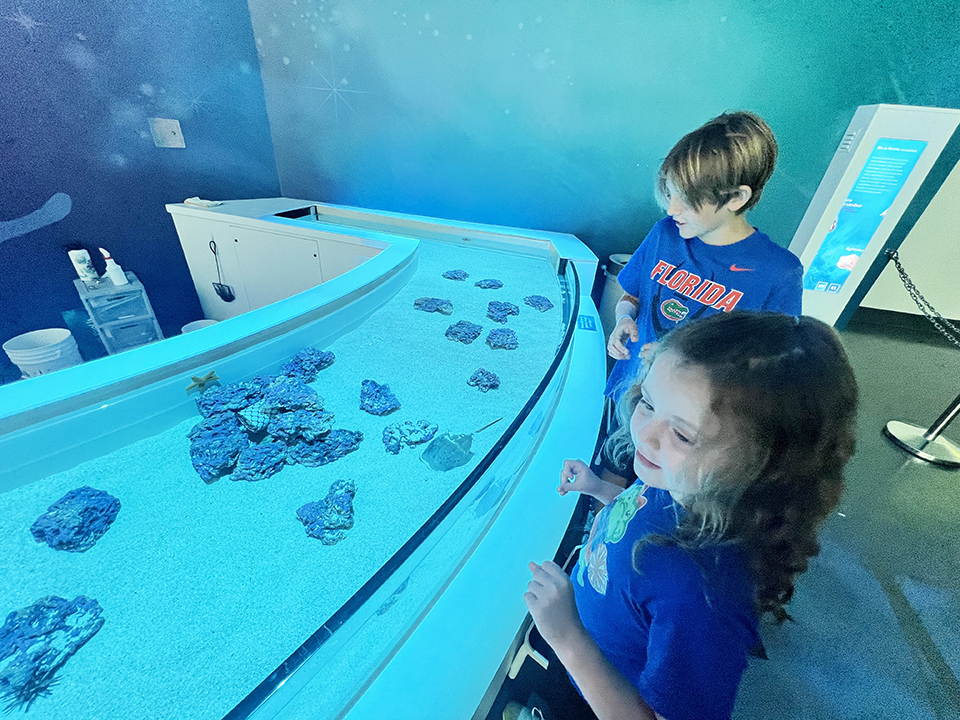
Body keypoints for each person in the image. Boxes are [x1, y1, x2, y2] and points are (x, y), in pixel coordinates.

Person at [524, 311, 858, 720]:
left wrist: (568, 637)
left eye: (683, 434)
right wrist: (600, 488)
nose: (643, 433)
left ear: (765, 465)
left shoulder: (703, 594)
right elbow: (639, 512)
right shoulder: (678, 481)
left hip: (599, 692)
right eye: (647, 402)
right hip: (584, 636)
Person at [601, 111, 803, 488]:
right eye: (670, 194)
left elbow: (771, 368)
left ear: (737, 197)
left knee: (656, 496)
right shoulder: (665, 233)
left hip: (688, 426)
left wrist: (682, 361)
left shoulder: (778, 273)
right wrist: (624, 318)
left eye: (688, 200)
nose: (671, 209)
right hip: (633, 390)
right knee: (612, 467)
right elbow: (633, 293)